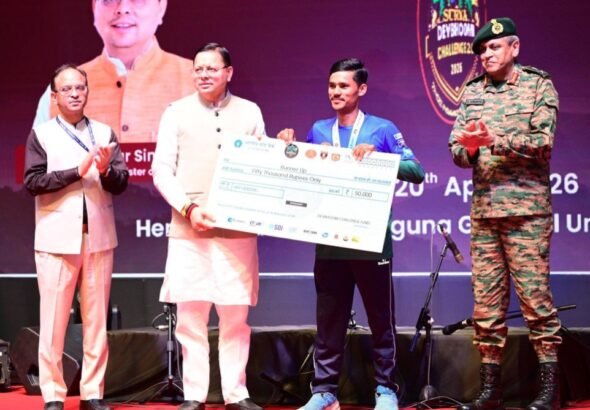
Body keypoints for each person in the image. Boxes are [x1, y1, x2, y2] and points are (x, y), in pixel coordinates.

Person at [278, 58, 425, 410]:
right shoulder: (318, 130)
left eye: (343, 86)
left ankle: (386, 390)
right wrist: (287, 150)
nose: (336, 92)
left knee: (380, 321)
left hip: (371, 241)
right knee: (329, 322)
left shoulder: (382, 129)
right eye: (332, 85)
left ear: (361, 89)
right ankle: (325, 392)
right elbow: (304, 177)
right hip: (329, 241)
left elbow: (416, 171)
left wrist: (380, 159)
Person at [449, 18, 561, 410]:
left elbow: (544, 143)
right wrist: (471, 148)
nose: (487, 54)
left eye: (495, 47)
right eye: (482, 50)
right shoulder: (473, 91)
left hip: (527, 212)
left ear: (514, 48)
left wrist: (496, 140)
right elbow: (457, 150)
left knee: (536, 301)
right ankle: (490, 390)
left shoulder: (537, 85)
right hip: (485, 214)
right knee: (486, 306)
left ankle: (549, 389)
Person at [151, 42, 265, 410]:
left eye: (211, 69)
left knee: (235, 316)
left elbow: (262, 166)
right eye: (198, 69)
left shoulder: (249, 111)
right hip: (190, 229)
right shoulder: (176, 112)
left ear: (228, 72)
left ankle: (236, 393)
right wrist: (188, 208)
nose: (203, 75)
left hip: (237, 231)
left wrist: (282, 151)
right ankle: (194, 395)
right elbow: (161, 170)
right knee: (190, 317)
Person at [24, 64, 129, 410]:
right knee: (53, 320)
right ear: (54, 96)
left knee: (96, 321)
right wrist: (76, 171)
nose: (74, 94)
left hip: (98, 236)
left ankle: (92, 393)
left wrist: (105, 169)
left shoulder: (104, 132)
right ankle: (53, 394)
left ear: (87, 91)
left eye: (79, 88)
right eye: (66, 89)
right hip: (56, 239)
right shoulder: (41, 134)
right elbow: (33, 182)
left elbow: (121, 182)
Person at [33, 0, 194, 143]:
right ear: (95, 7)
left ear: (161, 8)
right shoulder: (61, 90)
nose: (122, 9)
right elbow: (37, 165)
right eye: (109, 0)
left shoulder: (196, 82)